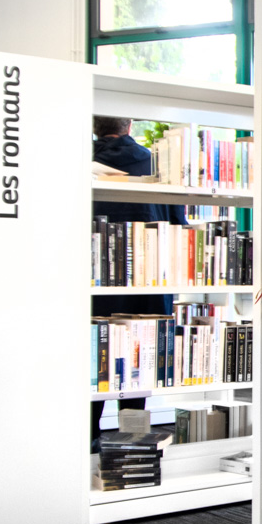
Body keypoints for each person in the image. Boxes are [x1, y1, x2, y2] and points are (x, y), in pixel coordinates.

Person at [91, 115, 186, 449]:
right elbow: (178, 223)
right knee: (139, 360)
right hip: (149, 284)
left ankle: (86, 439)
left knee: (95, 357)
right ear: (129, 126)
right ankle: (133, 442)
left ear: (95, 128)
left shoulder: (78, 163)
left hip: (96, 285)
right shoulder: (157, 162)